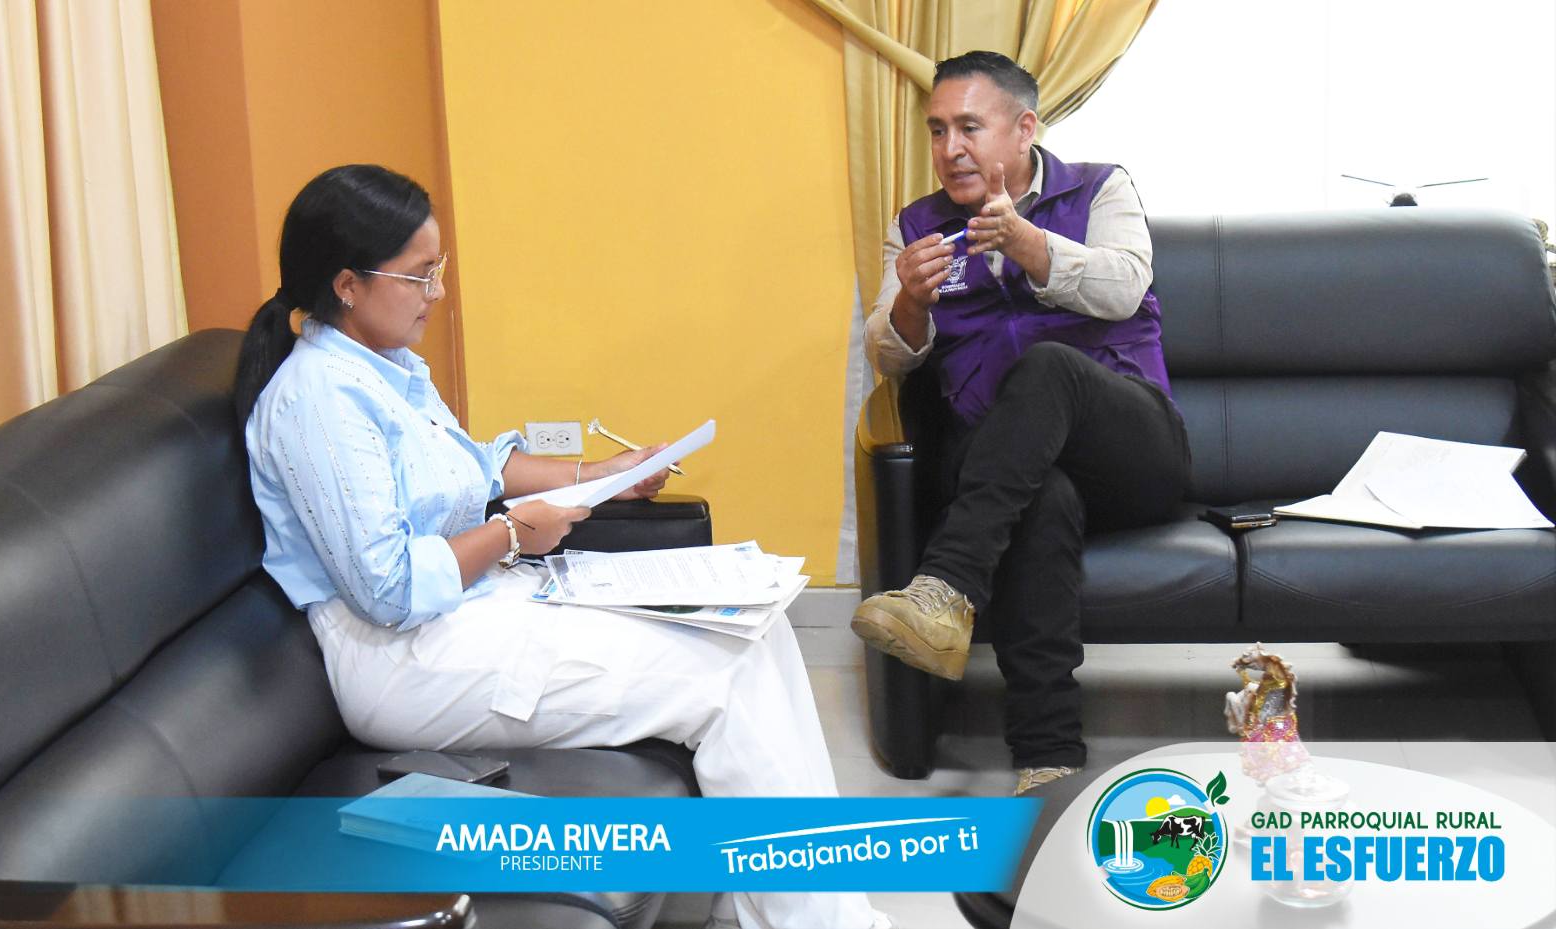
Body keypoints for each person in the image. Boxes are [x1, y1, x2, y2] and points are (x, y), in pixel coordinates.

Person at [236, 164, 890, 929]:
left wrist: (603, 475)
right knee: (727, 674)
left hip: (473, 611)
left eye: (438, 270)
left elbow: (477, 466)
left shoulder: (387, 368)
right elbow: (388, 587)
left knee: (760, 630)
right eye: (419, 276)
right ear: (348, 284)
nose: (436, 293)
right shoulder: (318, 399)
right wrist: (513, 532)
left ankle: (809, 910)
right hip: (405, 660)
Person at [850, 52, 1190, 795]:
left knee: (1048, 367)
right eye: (937, 130)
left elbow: (1124, 286)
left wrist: (1026, 243)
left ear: (1025, 128)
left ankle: (945, 588)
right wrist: (911, 301)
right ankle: (1048, 756)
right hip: (1003, 467)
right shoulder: (916, 226)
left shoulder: (1100, 188)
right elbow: (887, 355)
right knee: (1041, 495)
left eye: (969, 127)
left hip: (1131, 448)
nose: (950, 148)